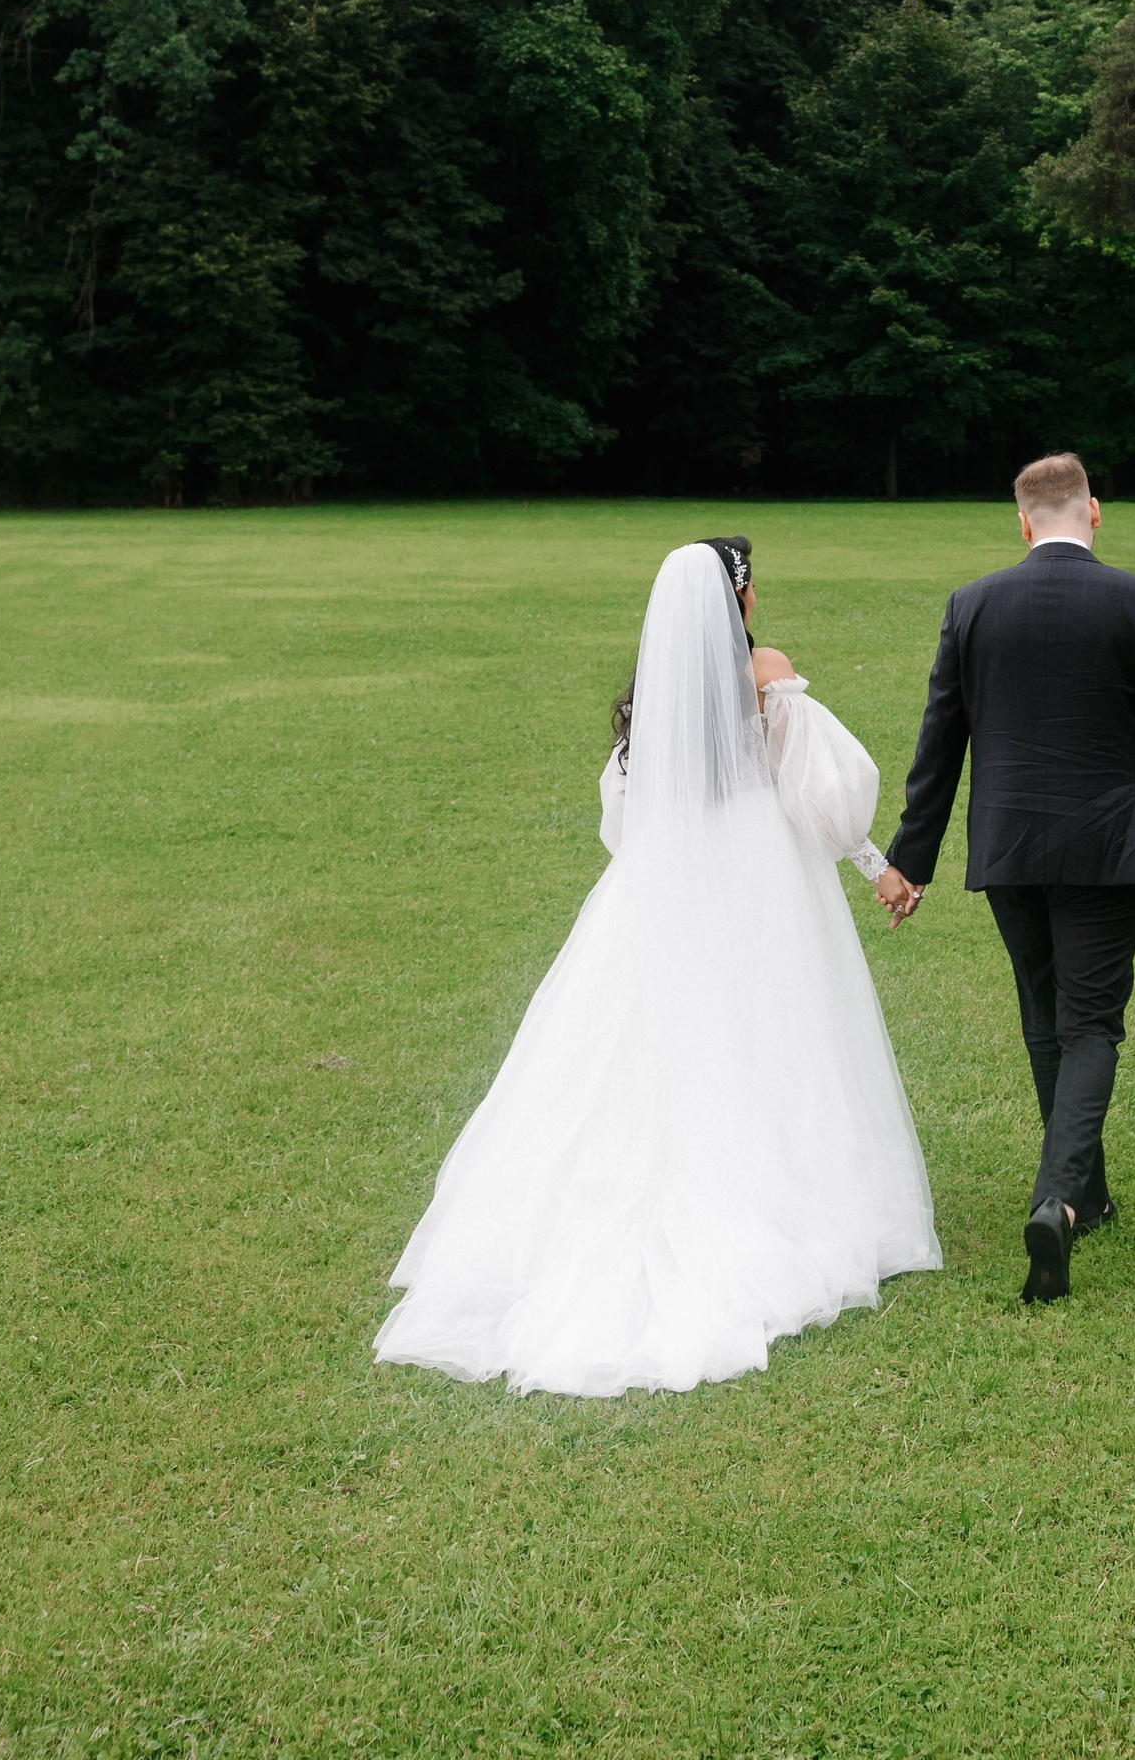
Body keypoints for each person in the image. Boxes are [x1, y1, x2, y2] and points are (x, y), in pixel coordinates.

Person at [375, 539, 937, 1397]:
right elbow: (819, 799)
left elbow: (622, 819)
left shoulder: (657, 693)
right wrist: (879, 872)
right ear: (739, 603)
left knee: (646, 1042)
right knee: (768, 1037)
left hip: (662, 881)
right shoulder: (764, 672)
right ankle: (775, 1202)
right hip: (757, 880)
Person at [884, 453, 1135, 1306]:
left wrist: (912, 861)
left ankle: (1087, 1191)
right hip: (1108, 850)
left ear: (1025, 522)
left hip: (1008, 850)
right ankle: (1062, 1201)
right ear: (1095, 513)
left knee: (1049, 1020)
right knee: (1092, 1025)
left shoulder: (972, 606)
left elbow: (939, 748)